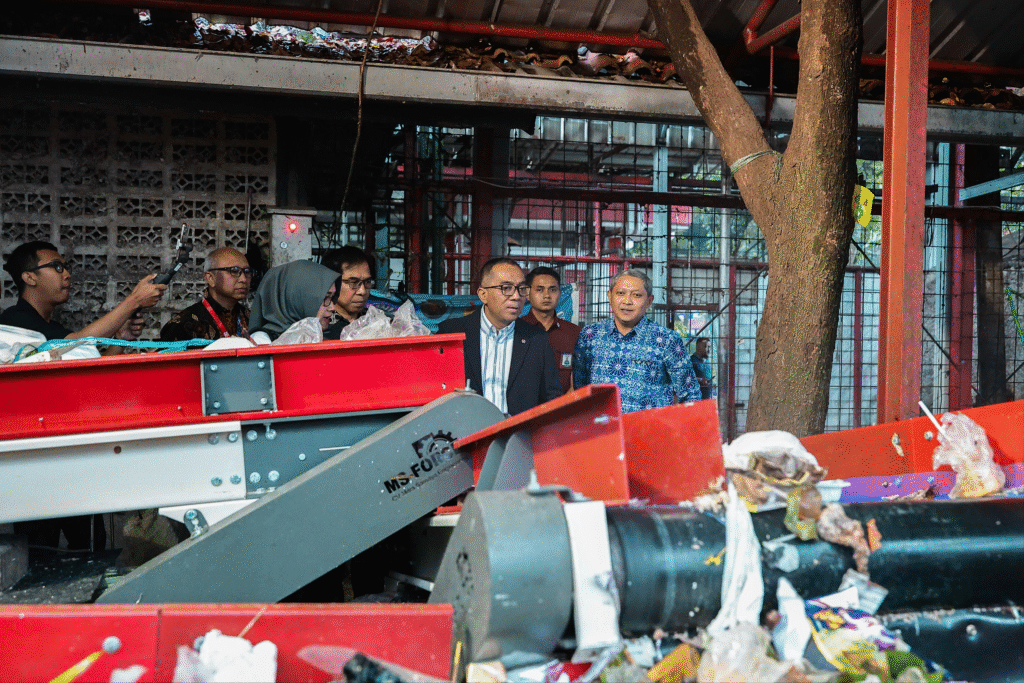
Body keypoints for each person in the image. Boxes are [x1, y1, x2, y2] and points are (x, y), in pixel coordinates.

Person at [1, 240, 167, 550]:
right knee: (41, 546)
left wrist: (121, 339)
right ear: (29, 277)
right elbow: (74, 344)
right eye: (57, 267)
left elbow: (91, 368)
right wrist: (132, 300)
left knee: (90, 542)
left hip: (67, 450)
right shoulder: (16, 322)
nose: (66, 275)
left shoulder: (52, 326)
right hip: (38, 458)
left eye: (66, 267)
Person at [437, 257, 560, 415]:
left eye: (522, 289)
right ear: (483, 295)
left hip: (517, 430)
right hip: (465, 428)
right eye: (506, 288)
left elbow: (551, 398)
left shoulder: (536, 340)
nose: (516, 296)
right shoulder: (451, 333)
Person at [573, 269, 701, 413]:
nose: (627, 301)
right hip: (603, 425)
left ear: (649, 301)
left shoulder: (667, 340)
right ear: (609, 296)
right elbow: (580, 391)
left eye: (636, 295)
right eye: (620, 293)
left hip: (649, 426)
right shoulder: (589, 336)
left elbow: (691, 395)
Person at [159, 247, 252, 341]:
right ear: (210, 278)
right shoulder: (183, 325)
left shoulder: (252, 319)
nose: (243, 279)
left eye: (247, 272)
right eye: (234, 271)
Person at [248, 260, 340, 341]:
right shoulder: (262, 341)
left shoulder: (327, 337)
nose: (332, 307)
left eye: (332, 298)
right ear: (296, 300)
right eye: (325, 298)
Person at [523, 266, 581, 394]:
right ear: (527, 293)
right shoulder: (515, 330)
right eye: (539, 289)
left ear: (559, 293)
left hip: (565, 404)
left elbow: (580, 376)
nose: (547, 295)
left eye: (553, 290)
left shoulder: (574, 333)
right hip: (523, 405)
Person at [322, 246, 374, 340]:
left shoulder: (376, 322)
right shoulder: (321, 327)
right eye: (353, 282)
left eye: (367, 282)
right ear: (332, 283)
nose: (362, 291)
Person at [690, 336, 714, 400]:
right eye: (705, 346)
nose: (708, 350)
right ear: (698, 347)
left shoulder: (706, 361)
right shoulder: (691, 361)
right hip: (696, 400)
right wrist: (700, 380)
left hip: (707, 398)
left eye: (709, 347)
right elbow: (686, 377)